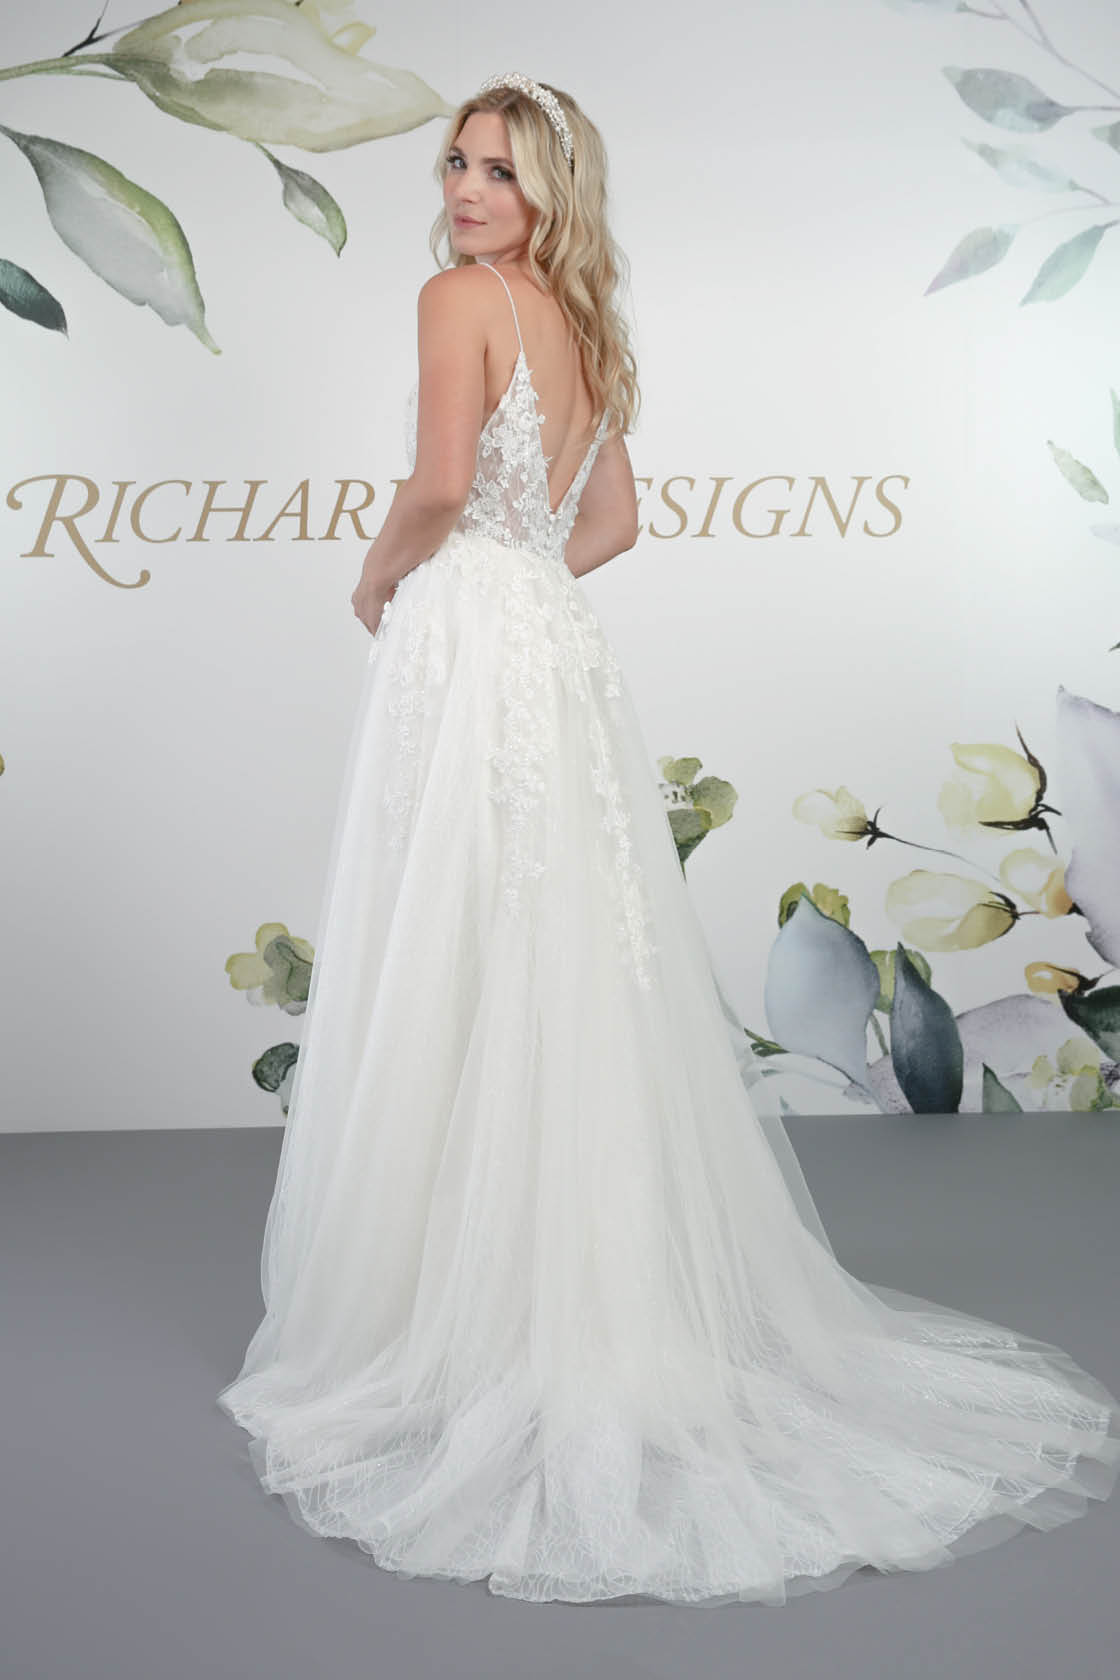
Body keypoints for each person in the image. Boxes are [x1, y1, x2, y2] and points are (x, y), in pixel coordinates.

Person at [218, 73, 1120, 1607]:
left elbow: (442, 485)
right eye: (455, 164)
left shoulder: (458, 300)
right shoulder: (587, 321)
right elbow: (615, 522)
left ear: (549, 189)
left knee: (458, 941)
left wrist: (387, 580)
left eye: (499, 170)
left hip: (473, 638)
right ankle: (575, 1300)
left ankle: (458, 1315)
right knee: (560, 955)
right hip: (551, 645)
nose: (464, 190)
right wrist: (526, 585)